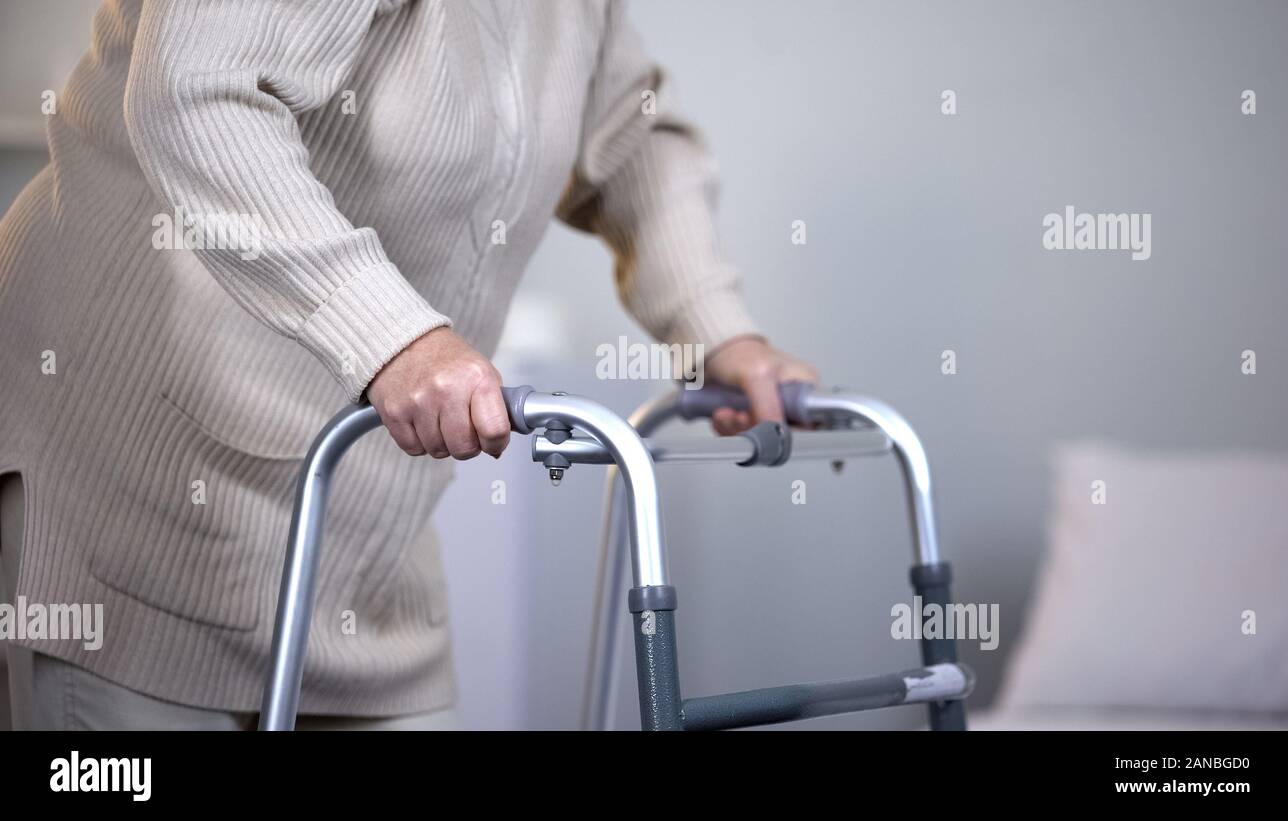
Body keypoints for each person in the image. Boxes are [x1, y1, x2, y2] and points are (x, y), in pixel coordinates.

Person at [0, 0, 816, 730]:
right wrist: (392, 334)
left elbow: (632, 137)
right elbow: (197, 91)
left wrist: (717, 330)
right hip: (139, 478)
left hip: (359, 518)